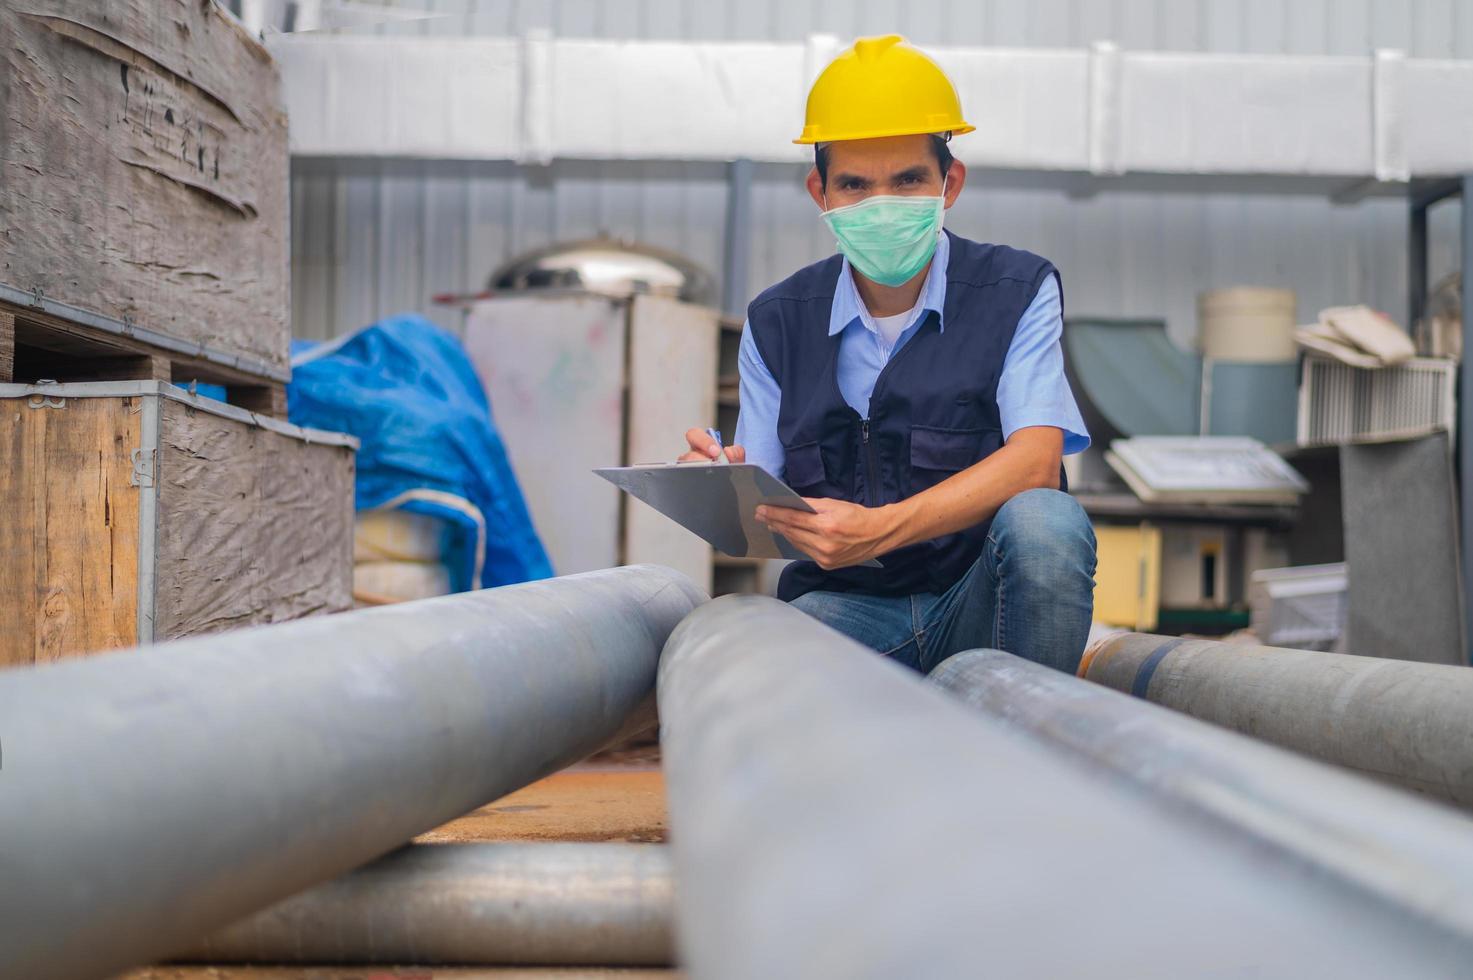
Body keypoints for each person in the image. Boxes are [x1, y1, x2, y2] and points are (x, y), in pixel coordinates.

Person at [681, 34, 1097, 675]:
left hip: (980, 605)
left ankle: (1033, 745)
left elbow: (1036, 462)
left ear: (949, 182)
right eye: (855, 185)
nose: (882, 205)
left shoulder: (1016, 291)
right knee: (760, 650)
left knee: (1047, 523)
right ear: (820, 193)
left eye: (907, 181)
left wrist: (883, 527)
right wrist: (714, 477)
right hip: (846, 611)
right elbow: (762, 511)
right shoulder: (777, 321)